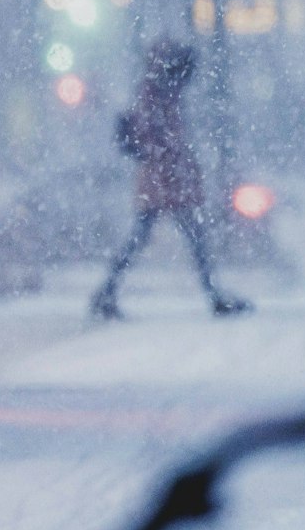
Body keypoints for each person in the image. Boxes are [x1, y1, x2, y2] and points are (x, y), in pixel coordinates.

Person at [91, 39, 249, 320]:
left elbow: (159, 137)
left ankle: (107, 293)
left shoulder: (161, 93)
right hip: (164, 181)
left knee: (150, 239)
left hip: (164, 181)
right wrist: (175, 161)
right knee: (186, 239)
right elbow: (155, 137)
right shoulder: (155, 95)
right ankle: (213, 296)